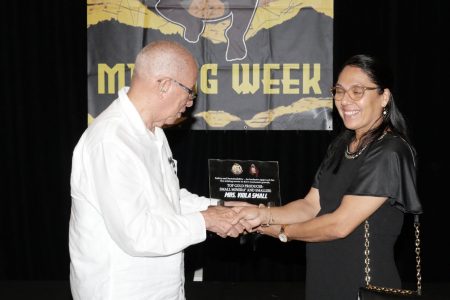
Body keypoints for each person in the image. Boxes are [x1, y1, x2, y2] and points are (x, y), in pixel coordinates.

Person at [232, 54, 423, 299]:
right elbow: (310, 205)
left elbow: (339, 225)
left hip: (363, 288)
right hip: (324, 281)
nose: (345, 100)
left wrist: (277, 230)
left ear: (384, 96)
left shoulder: (390, 151)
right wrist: (260, 213)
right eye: (339, 91)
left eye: (357, 91)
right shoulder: (341, 145)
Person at [69, 40, 246, 300]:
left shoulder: (154, 133)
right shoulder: (111, 142)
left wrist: (221, 205)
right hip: (121, 291)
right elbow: (137, 234)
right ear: (164, 85)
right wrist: (208, 220)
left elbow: (167, 199)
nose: (189, 103)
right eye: (189, 92)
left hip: (161, 289)